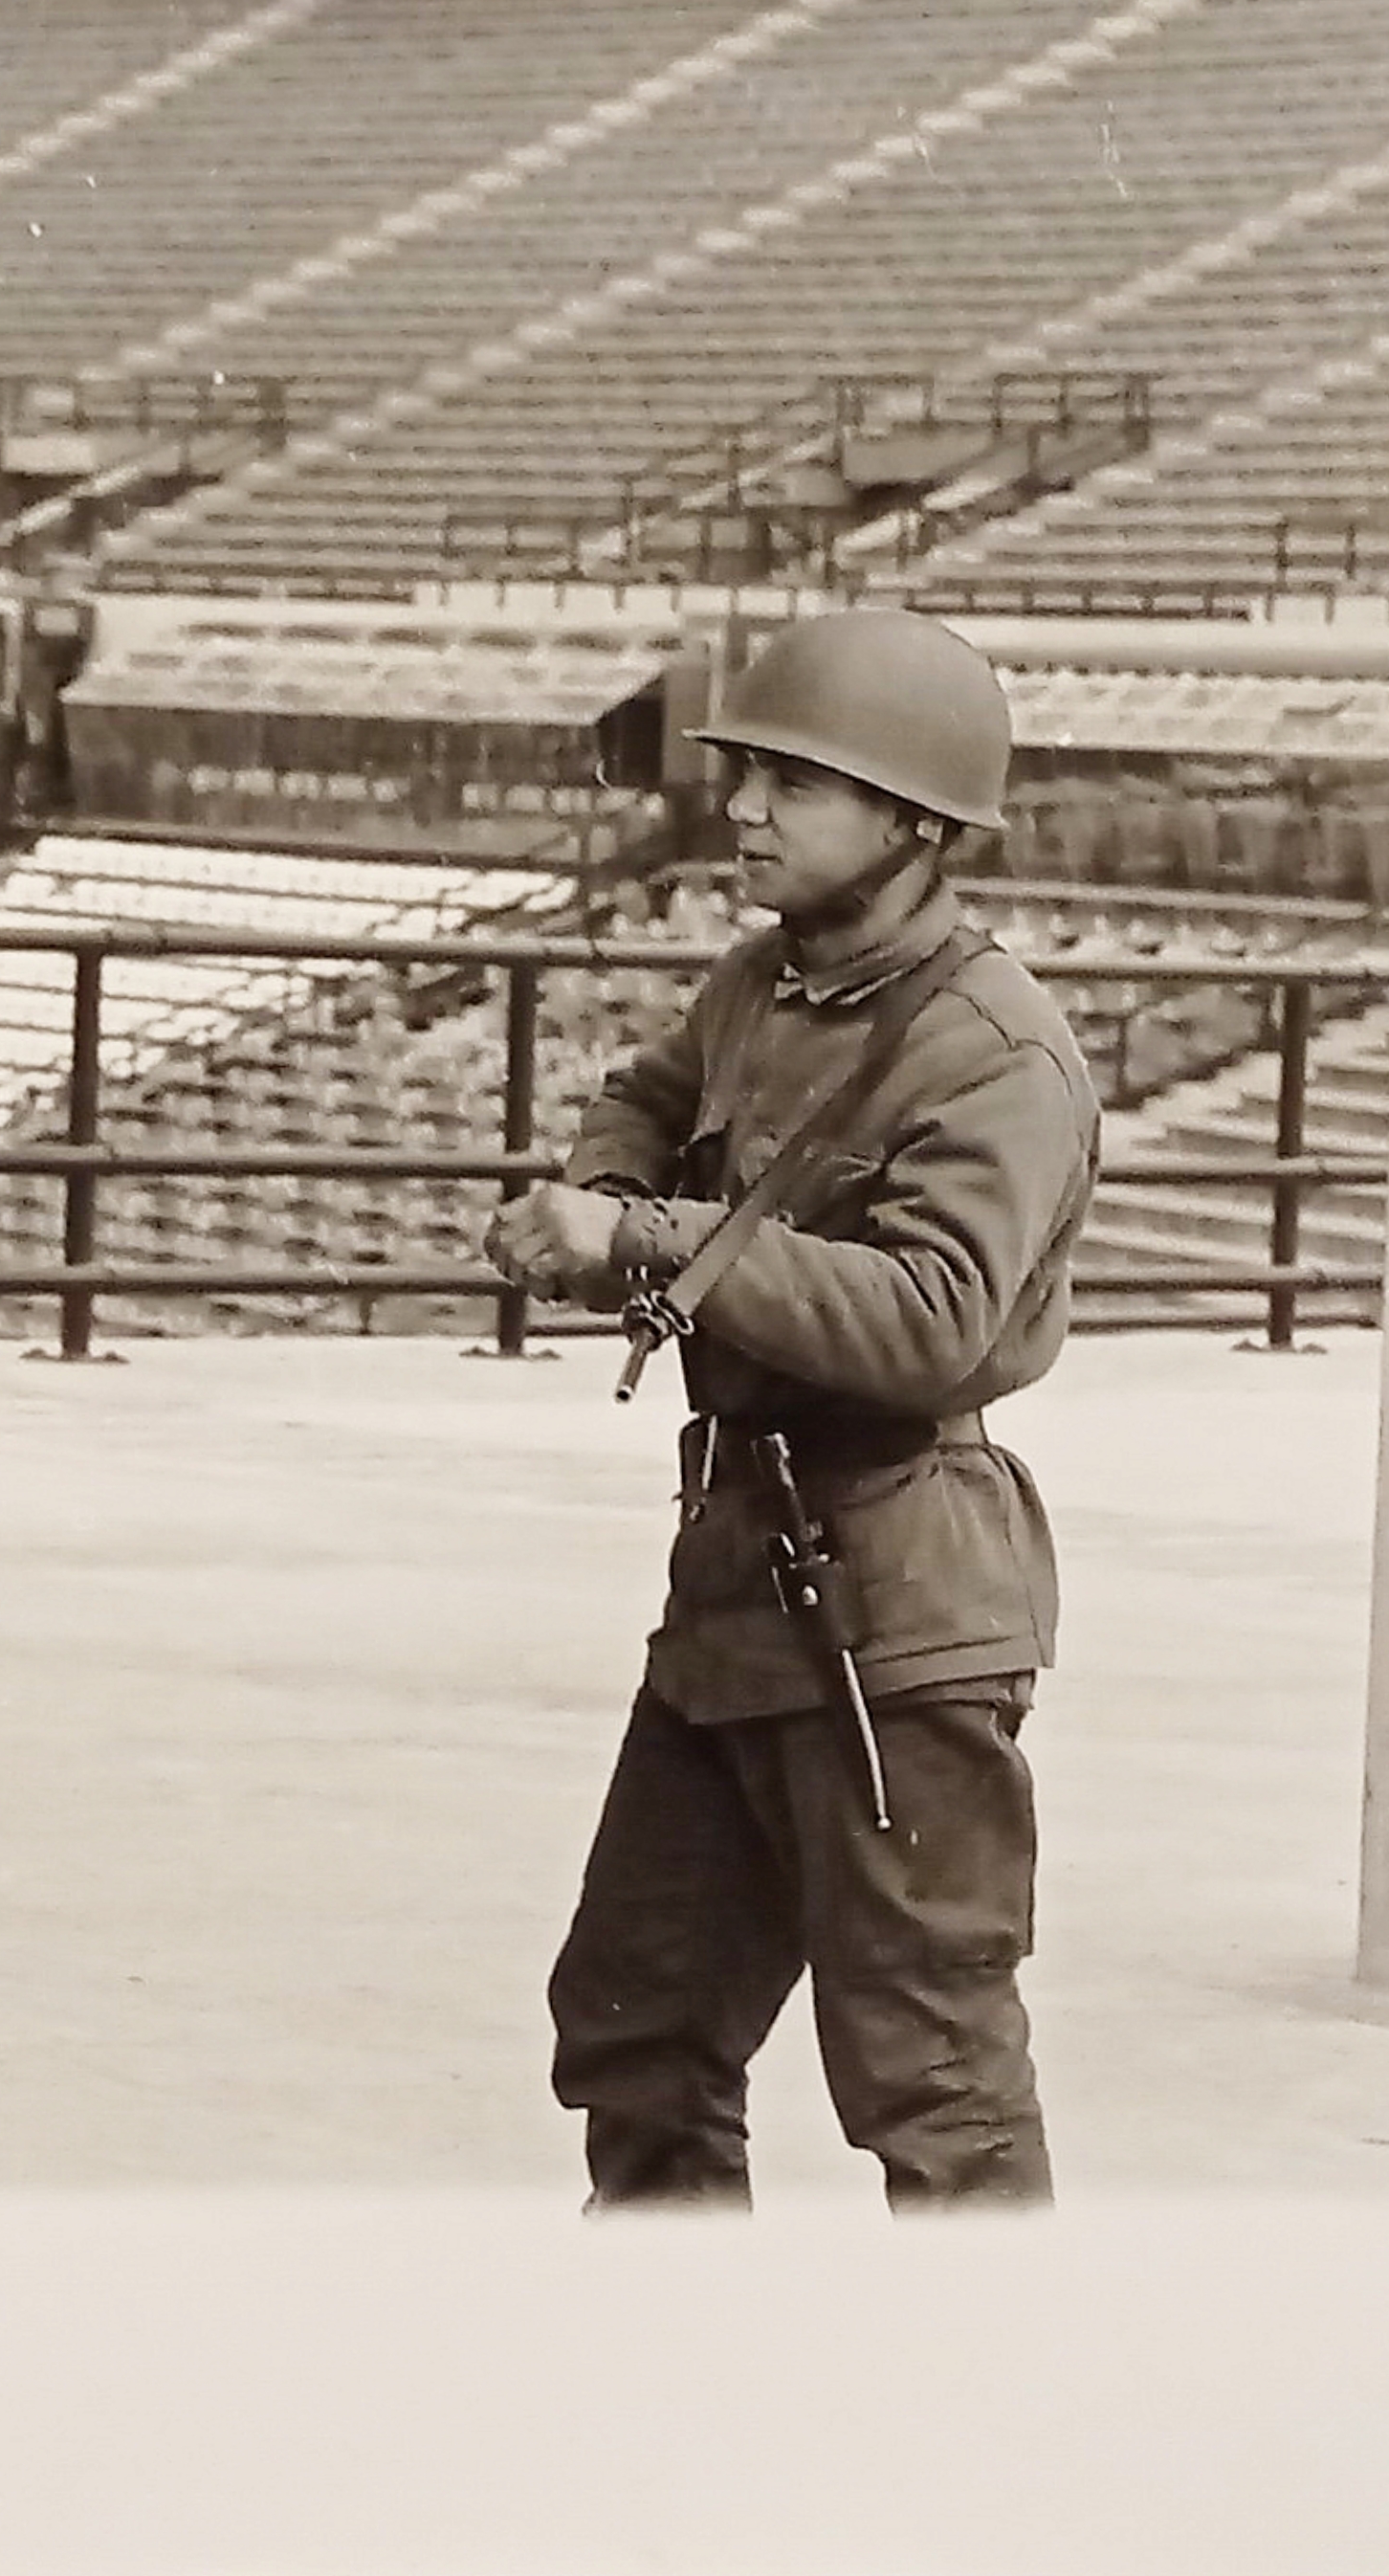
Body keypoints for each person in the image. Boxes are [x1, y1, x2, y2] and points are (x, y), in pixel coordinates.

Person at [483, 607, 1097, 2210]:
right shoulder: (767, 981)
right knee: (637, 2018)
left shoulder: (993, 1054)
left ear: (916, 822)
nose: (746, 808)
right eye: (746, 771)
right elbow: (647, 1096)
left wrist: (649, 1239)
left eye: (795, 782)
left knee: (931, 2076)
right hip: (740, 1576)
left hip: (894, 1594)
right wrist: (606, 1182)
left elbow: (930, 1317)